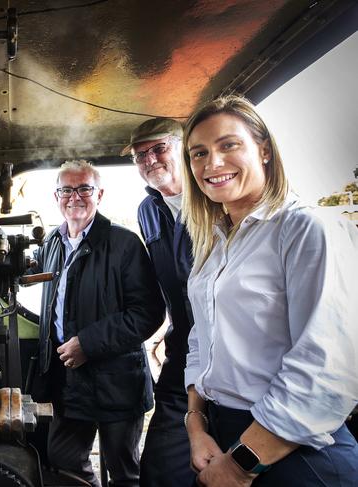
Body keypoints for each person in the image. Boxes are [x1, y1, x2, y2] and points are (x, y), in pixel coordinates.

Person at [181, 95, 358, 486]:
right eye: (199, 153)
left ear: (263, 150)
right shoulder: (215, 246)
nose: (212, 164)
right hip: (223, 431)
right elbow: (201, 340)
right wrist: (197, 424)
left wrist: (241, 464)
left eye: (229, 145)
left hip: (294, 452)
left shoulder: (306, 229)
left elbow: (327, 367)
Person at [29, 160, 165, 487]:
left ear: (99, 194)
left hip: (117, 382)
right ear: (56, 195)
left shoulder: (125, 244)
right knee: (63, 462)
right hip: (68, 380)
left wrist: (88, 344)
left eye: (84, 188)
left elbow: (147, 312)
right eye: (66, 190)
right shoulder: (52, 243)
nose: (74, 196)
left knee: (124, 471)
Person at [120, 118, 195, 487]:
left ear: (182, 147)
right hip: (183, 351)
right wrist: (165, 329)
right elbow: (167, 282)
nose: (149, 160)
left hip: (236, 354)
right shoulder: (147, 211)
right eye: (139, 155)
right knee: (161, 469)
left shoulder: (216, 199)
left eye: (158, 149)